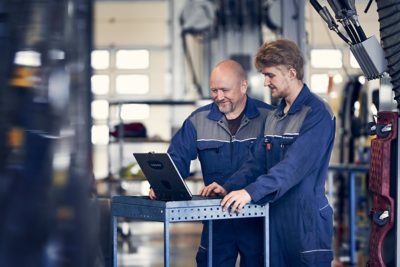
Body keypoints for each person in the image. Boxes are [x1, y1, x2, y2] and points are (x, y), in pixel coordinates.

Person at [201, 39, 336, 267]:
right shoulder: (276, 115)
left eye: (270, 75)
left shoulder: (317, 113)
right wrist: (229, 186)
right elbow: (257, 162)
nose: (265, 82)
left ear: (291, 73)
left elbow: (292, 167)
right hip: (274, 218)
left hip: (306, 222)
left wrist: (250, 193)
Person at [149, 59, 274, 266]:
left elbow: (268, 166)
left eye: (225, 90)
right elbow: (177, 157)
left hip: (258, 217)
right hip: (217, 218)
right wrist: (163, 184)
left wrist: (233, 187)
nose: (219, 96)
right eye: (214, 90)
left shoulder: (268, 118)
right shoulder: (199, 120)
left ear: (244, 86)